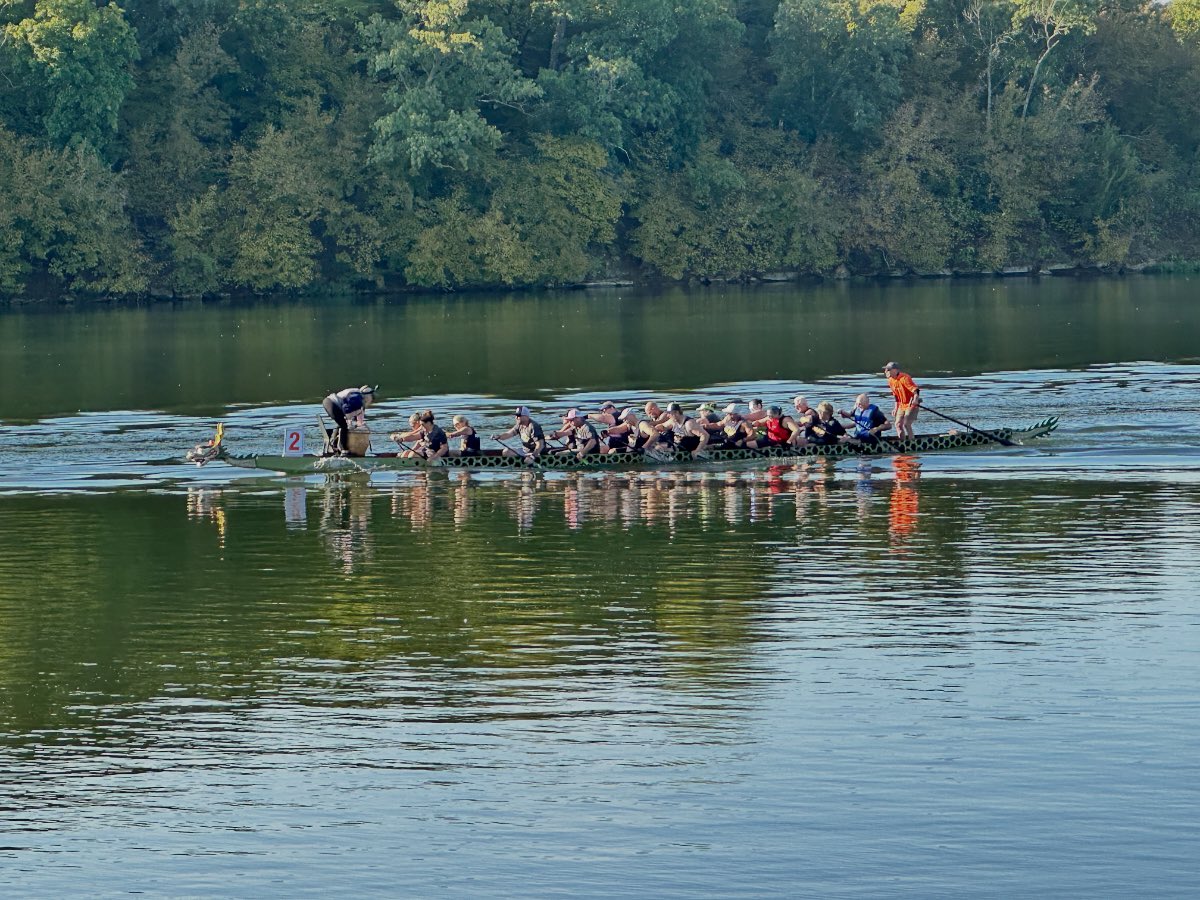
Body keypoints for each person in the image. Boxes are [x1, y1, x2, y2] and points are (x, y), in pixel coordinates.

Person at [322, 385, 377, 454]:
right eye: (371, 397)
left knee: (341, 424)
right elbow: (346, 411)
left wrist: (359, 425)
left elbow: (359, 421)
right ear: (367, 396)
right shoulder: (357, 398)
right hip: (331, 403)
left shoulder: (359, 400)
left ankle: (334, 444)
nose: (371, 401)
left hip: (330, 403)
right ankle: (343, 449)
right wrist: (350, 422)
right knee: (344, 426)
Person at [883, 361, 920, 439]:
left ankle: (912, 443)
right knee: (898, 424)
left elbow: (916, 391)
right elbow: (895, 395)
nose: (886, 371)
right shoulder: (890, 381)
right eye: (886, 369)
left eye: (888, 370)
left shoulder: (905, 378)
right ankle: (902, 442)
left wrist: (916, 399)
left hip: (911, 404)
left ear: (895, 370)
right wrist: (895, 408)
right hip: (901, 405)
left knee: (906, 424)